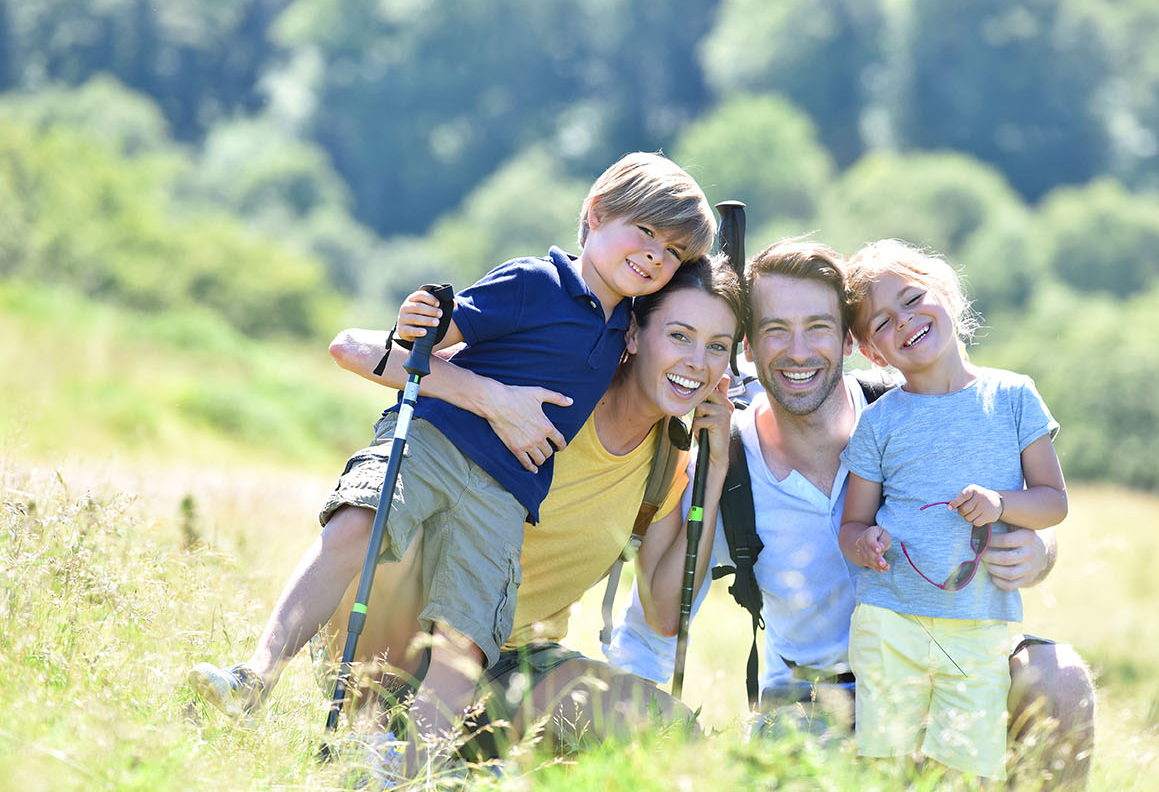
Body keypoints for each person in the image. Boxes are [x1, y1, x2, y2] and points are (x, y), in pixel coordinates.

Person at [187, 152, 715, 772]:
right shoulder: (533, 282)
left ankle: (411, 769)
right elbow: (423, 341)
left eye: (674, 251)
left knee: (466, 635)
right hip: (439, 443)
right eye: (645, 232)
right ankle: (257, 674)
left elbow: (691, 345)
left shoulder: (629, 327)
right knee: (359, 524)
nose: (656, 255)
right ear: (594, 215)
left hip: (504, 491)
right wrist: (437, 341)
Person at [607, 239, 1094, 788]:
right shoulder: (729, 458)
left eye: (818, 327)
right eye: (775, 330)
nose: (798, 351)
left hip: (945, 660)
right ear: (747, 346)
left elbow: (1026, 503)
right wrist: (714, 475)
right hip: (812, 702)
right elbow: (660, 619)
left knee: (1061, 681)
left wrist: (1039, 550)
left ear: (848, 340)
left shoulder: (913, 406)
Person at [323, 254, 745, 765]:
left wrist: (715, 471)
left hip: (515, 663)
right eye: (679, 336)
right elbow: (357, 348)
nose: (697, 362)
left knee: (672, 733)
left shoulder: (668, 462)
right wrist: (489, 397)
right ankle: (369, 732)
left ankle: (461, 753)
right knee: (388, 527)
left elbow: (662, 610)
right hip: (412, 636)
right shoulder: (551, 386)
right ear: (632, 333)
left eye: (717, 347)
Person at [838, 238, 1068, 780]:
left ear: (946, 291)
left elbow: (1053, 503)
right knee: (885, 765)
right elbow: (853, 522)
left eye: (914, 298)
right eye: (883, 323)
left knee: (965, 767)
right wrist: (862, 543)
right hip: (889, 616)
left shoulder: (1013, 397)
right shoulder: (879, 422)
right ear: (874, 354)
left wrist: (1000, 503)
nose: (905, 321)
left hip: (980, 621)